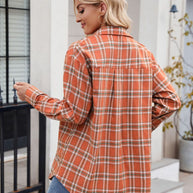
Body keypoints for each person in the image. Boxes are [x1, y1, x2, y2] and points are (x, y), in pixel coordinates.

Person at [14, 0, 181, 192]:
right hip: (126, 178)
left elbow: (73, 113)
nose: (77, 18)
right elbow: (170, 101)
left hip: (79, 173)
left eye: (81, 10)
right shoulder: (144, 54)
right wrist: (134, 128)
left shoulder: (81, 51)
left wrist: (32, 95)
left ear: (102, 7)